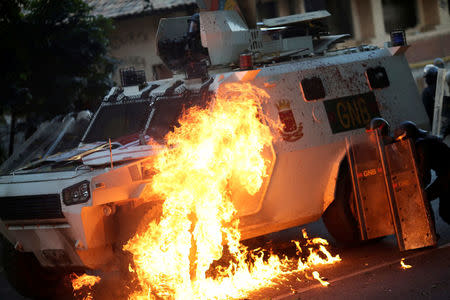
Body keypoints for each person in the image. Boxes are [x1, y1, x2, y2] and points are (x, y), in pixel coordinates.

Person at [394, 121, 450, 225]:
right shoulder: (425, 141)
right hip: (445, 174)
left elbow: (425, 174)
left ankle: (431, 233)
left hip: (447, 175)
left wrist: (414, 190)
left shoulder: (422, 145)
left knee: (444, 211)